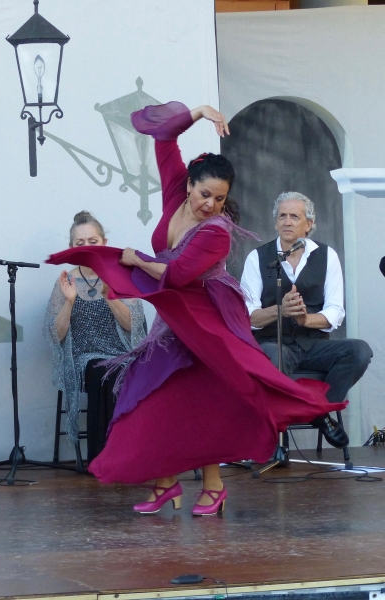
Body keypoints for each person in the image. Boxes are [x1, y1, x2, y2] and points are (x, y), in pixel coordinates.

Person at [46, 103, 348, 517]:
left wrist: (135, 260)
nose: (211, 204)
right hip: (176, 316)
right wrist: (199, 112)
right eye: (205, 194)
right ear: (189, 185)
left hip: (206, 316)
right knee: (157, 394)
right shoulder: (175, 193)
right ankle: (168, 482)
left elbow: (176, 275)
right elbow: (164, 136)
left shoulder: (217, 232)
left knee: (203, 399)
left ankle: (211, 485)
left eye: (220, 199)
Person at [241, 191, 372, 406]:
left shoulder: (327, 255)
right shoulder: (257, 258)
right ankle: (278, 418)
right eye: (282, 216)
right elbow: (247, 316)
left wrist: (306, 320)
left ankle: (321, 409)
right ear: (275, 223)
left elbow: (335, 311)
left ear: (309, 224)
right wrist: (280, 311)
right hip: (274, 344)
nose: (287, 222)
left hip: (313, 347)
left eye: (294, 216)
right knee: (272, 354)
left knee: (359, 351)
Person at [44, 211, 145, 463]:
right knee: (104, 372)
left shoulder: (120, 275)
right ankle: (104, 457)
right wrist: (69, 301)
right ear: (71, 248)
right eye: (80, 243)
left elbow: (133, 326)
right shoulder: (66, 281)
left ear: (104, 242)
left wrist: (110, 295)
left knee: (121, 370)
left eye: (93, 241)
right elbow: (56, 335)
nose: (87, 247)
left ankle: (129, 453)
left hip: (121, 353)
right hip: (83, 358)